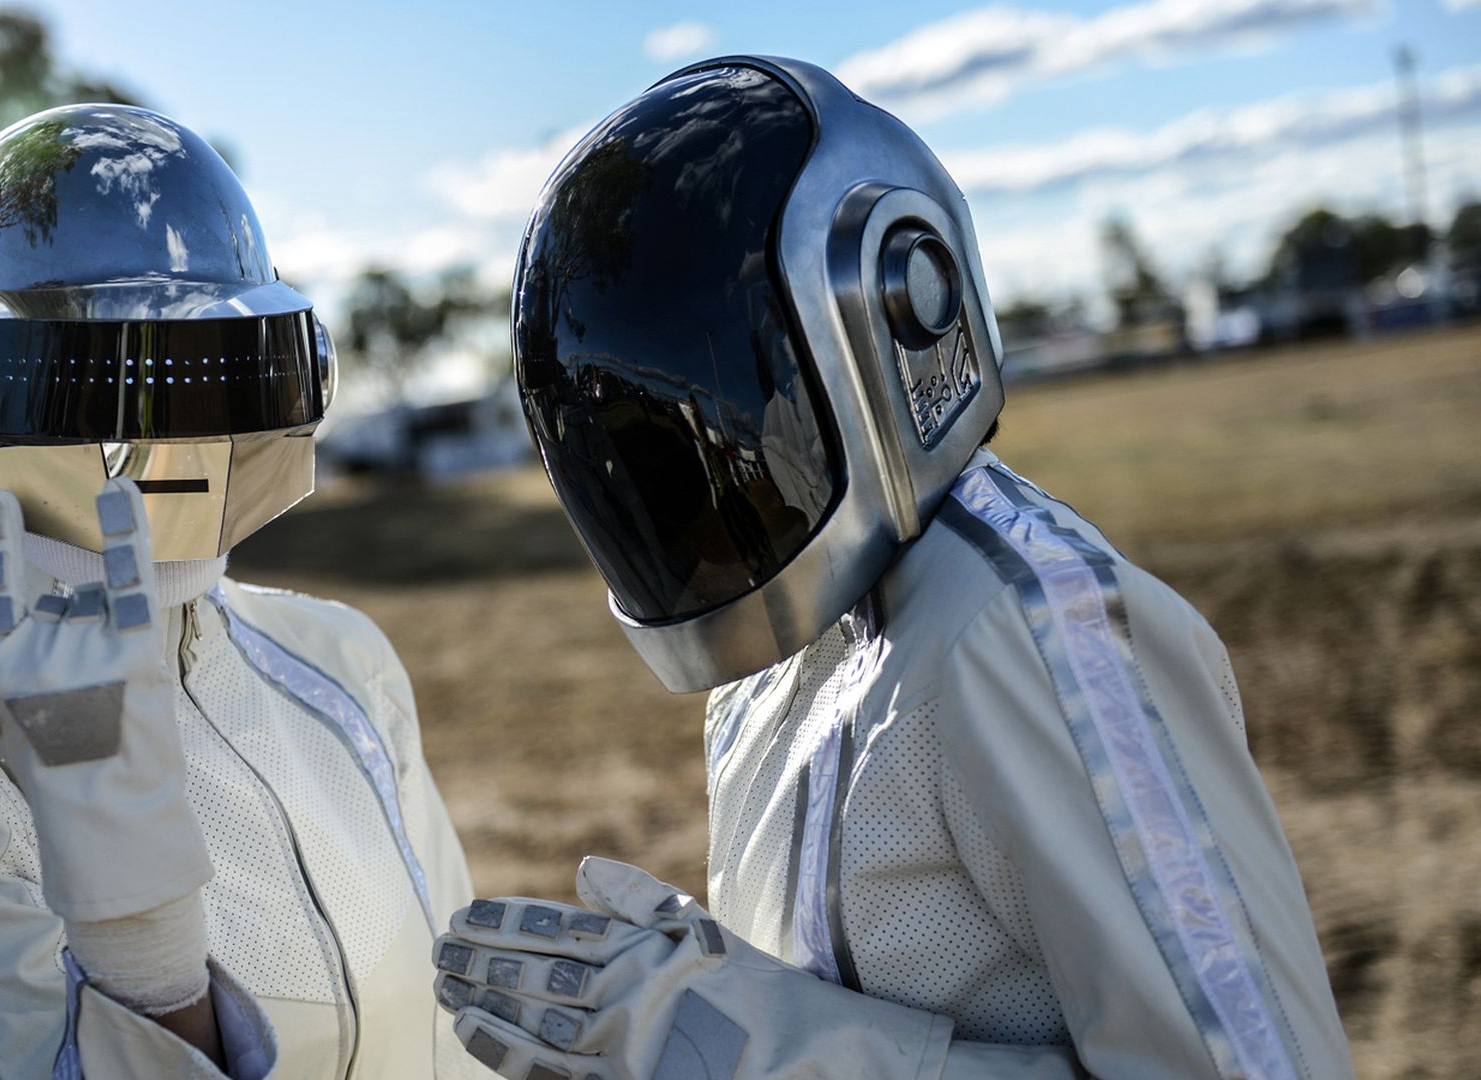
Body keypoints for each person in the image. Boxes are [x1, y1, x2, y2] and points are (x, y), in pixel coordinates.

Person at [430, 56, 1353, 1079]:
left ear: (891, 296)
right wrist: (708, 991)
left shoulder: (1028, 628)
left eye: (717, 402)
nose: (692, 480)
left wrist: (744, 1050)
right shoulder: (779, 661)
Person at [0, 103, 476, 1079]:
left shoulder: (343, 657)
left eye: (202, 373)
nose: (151, 435)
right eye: (97, 381)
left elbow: (460, 1016)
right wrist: (144, 956)